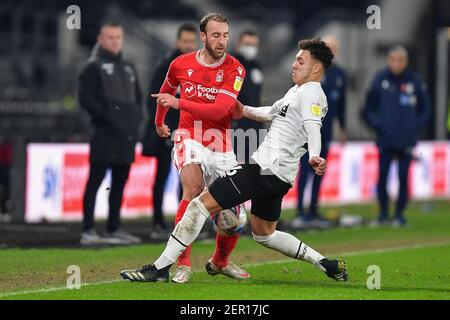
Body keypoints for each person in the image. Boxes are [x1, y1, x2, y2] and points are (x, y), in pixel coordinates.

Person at [120, 38, 348, 283]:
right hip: (280, 177)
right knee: (265, 234)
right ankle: (324, 262)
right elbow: (272, 112)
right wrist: (245, 110)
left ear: (316, 68)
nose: (293, 64)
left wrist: (315, 154)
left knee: (198, 205)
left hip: (262, 170)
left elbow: (312, 126)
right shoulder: (298, 91)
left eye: (300, 61)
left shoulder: (312, 93)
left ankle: (160, 268)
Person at [138, 13, 250, 284]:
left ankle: (220, 262)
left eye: (225, 35)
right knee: (192, 188)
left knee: (234, 219)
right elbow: (164, 94)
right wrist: (159, 124)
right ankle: (183, 263)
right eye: (215, 35)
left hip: (220, 142)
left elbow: (221, 110)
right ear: (203, 36)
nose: (222, 41)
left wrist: (180, 103)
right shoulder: (180, 64)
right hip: (188, 135)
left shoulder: (235, 68)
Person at [78, 22, 143, 245]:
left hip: (126, 136)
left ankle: (114, 228)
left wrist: (135, 122)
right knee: (95, 181)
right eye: (110, 37)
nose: (115, 41)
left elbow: (138, 99)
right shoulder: (92, 67)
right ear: (100, 40)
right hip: (104, 134)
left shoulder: (128, 67)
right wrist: (109, 117)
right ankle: (87, 230)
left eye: (118, 37)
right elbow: (86, 100)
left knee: (119, 183)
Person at [362, 45, 430, 227]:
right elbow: (367, 109)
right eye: (393, 59)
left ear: (406, 62)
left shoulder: (415, 81)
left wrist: (415, 126)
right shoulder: (380, 80)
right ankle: (383, 213)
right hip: (385, 139)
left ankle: (399, 214)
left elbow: (426, 109)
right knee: (382, 177)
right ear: (388, 60)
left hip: (406, 140)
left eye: (400, 60)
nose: (396, 63)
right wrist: (378, 125)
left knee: (402, 176)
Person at [142, 23, 198, 240]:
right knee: (162, 176)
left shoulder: (197, 66)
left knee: (188, 179)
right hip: (166, 131)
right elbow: (152, 99)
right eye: (185, 41)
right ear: (177, 41)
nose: (188, 45)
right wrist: (159, 126)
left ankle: (182, 224)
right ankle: (157, 223)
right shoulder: (166, 65)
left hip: (187, 131)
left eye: (191, 41)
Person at [292, 36, 347, 230]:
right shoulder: (312, 71)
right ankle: (300, 209)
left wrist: (342, 126)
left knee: (319, 170)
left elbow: (341, 105)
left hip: (328, 131)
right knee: (305, 169)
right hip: (307, 130)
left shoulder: (340, 74)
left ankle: (313, 209)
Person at [232, 29, 264, 163]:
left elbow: (257, 97)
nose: (250, 48)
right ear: (238, 44)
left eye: (253, 45)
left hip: (255, 126)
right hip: (235, 126)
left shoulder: (257, 67)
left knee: (252, 170)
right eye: (247, 44)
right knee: (233, 169)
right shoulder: (230, 65)